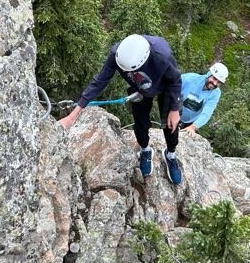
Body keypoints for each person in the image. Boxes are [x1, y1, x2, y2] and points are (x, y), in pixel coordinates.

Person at [59, 34, 184, 185]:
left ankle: (170, 154)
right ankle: (145, 150)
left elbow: (175, 80)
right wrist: (72, 117)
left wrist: (175, 108)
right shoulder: (117, 54)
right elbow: (99, 82)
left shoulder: (161, 56)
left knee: (172, 125)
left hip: (166, 88)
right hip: (139, 88)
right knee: (140, 123)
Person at [179, 62, 228, 137]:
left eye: (219, 82)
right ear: (209, 74)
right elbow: (173, 91)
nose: (215, 83)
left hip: (190, 122)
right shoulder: (190, 78)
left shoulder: (215, 93)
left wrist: (193, 127)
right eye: (214, 78)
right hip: (174, 112)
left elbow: (207, 112)